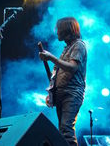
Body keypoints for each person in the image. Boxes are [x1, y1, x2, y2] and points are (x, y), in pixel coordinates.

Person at [39, 17, 87, 146]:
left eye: (59, 29)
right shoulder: (67, 48)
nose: (57, 32)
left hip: (71, 93)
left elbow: (72, 67)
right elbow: (56, 75)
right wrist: (51, 93)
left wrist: (51, 58)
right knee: (62, 132)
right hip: (61, 93)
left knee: (66, 130)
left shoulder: (79, 45)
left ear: (67, 30)